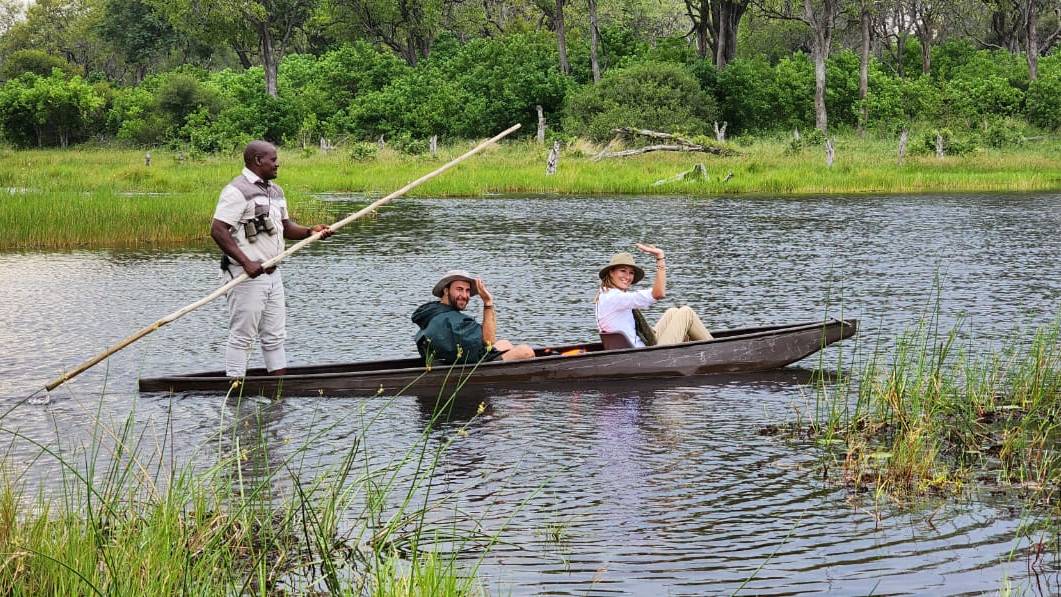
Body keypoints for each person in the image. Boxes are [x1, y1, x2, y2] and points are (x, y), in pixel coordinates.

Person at [210, 140, 333, 378]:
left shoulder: (276, 192)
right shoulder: (237, 191)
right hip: (245, 276)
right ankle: (235, 389)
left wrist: (310, 232)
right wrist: (246, 262)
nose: (278, 164)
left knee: (275, 336)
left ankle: (280, 388)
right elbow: (218, 230)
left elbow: (285, 227)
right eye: (273, 159)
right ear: (258, 161)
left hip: (273, 275)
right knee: (243, 336)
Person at [595, 244, 712, 347]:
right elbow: (659, 293)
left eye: (631, 273)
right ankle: (719, 352)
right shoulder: (614, 297)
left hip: (640, 348)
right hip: (642, 356)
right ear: (611, 272)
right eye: (623, 271)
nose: (627, 277)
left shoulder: (605, 294)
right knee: (686, 312)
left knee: (673, 312)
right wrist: (660, 257)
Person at [412, 270, 535, 365]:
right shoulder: (454, 321)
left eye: (467, 291)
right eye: (459, 289)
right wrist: (488, 302)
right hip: (461, 369)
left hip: (447, 361)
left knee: (505, 343)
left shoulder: (432, 312)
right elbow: (489, 342)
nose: (464, 295)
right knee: (526, 351)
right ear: (446, 290)